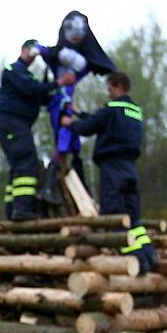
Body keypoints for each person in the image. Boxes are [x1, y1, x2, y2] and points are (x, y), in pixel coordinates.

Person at [61, 71, 159, 272]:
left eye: (109, 88)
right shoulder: (135, 111)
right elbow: (102, 121)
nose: (109, 93)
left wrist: (70, 124)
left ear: (118, 86)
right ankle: (150, 256)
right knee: (133, 218)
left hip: (112, 168)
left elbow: (90, 127)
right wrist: (79, 112)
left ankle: (137, 262)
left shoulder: (112, 109)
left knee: (114, 216)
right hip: (130, 167)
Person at [36, 11, 116, 202]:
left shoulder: (80, 64)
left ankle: (81, 189)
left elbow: (92, 65)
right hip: (59, 105)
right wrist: (56, 54)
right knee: (63, 143)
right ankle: (48, 188)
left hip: (67, 106)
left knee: (74, 146)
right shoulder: (57, 60)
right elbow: (38, 48)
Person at [0, 39, 75, 220]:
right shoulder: (13, 70)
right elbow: (33, 89)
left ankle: (12, 210)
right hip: (12, 123)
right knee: (26, 163)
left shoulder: (27, 76)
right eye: (31, 50)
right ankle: (23, 210)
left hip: (17, 124)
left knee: (18, 166)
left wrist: (62, 100)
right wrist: (59, 82)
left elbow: (41, 95)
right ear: (23, 50)